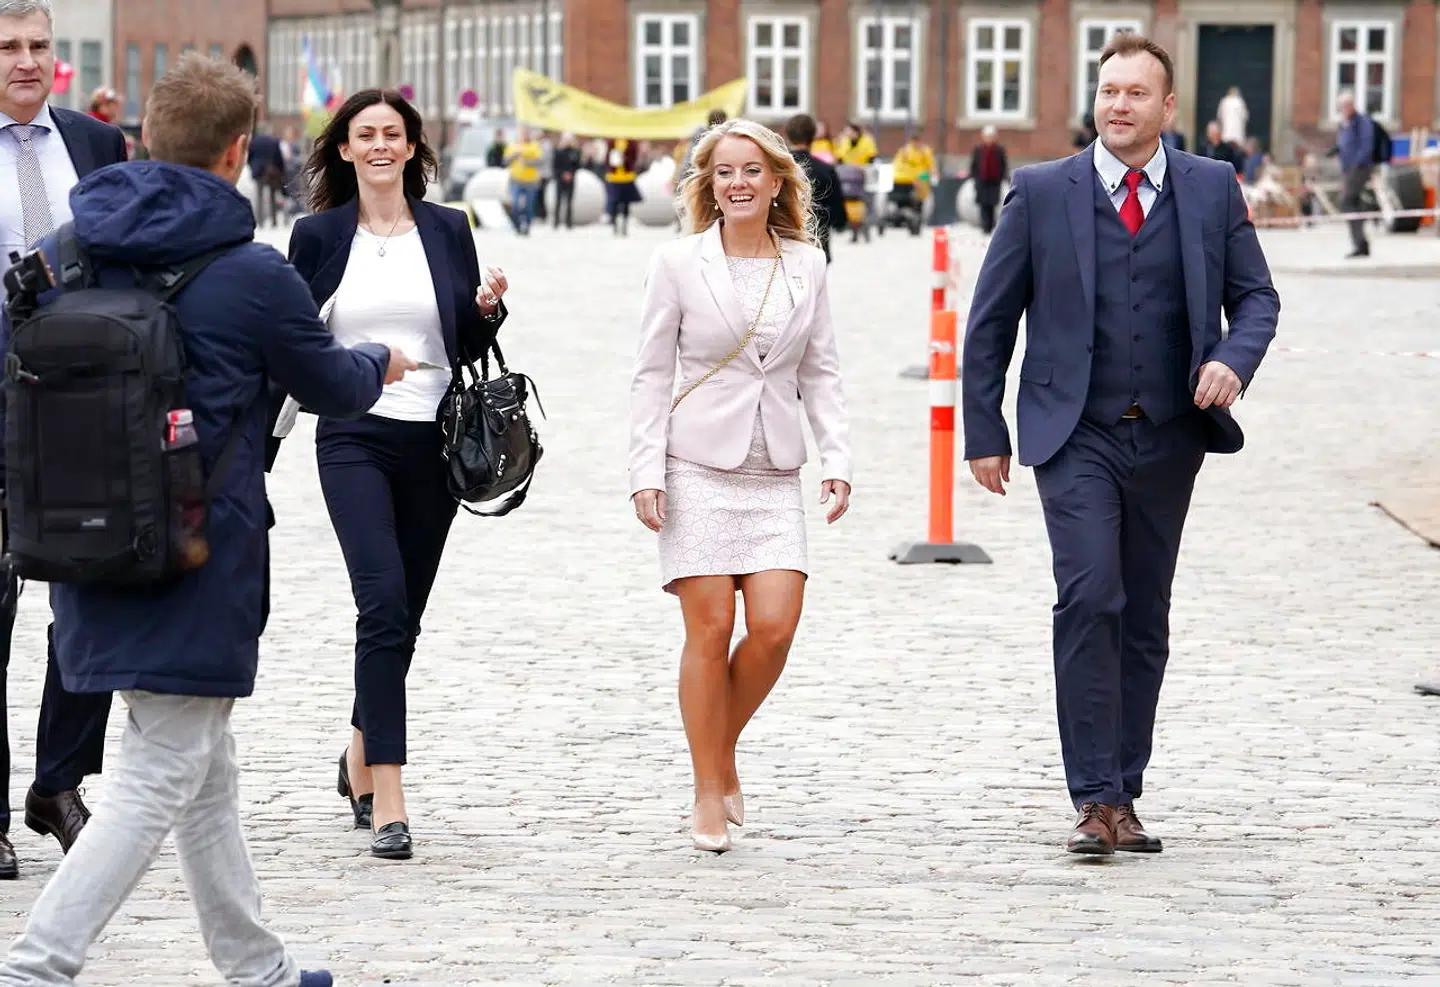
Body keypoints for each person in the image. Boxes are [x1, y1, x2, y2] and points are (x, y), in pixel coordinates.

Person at [0, 51, 405, 987]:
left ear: (141, 142)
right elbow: (333, 385)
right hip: (194, 547)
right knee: (158, 772)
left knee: (198, 757)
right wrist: (378, 358)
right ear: (235, 155)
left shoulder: (63, 252)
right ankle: (38, 965)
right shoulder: (251, 272)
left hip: (83, 537)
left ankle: (254, 965)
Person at [961, 33, 1279, 855]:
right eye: (1108, 91)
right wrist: (985, 430)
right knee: (1091, 595)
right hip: (1074, 434)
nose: (1118, 105)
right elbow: (991, 321)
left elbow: (1256, 300)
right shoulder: (1039, 192)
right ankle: (1093, 797)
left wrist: (1230, 361)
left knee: (1144, 613)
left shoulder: (1212, 188)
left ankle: (1125, 791)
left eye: (1136, 93)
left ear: (1168, 108)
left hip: (1171, 435)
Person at [281, 88, 509, 861]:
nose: (380, 145)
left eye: (394, 134)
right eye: (365, 134)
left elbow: (467, 341)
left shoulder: (448, 228)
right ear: (344, 149)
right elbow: (288, 337)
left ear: (413, 147)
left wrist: (486, 308)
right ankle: (389, 792)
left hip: (432, 440)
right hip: (351, 435)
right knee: (379, 602)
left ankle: (355, 754)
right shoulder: (315, 235)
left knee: (401, 615)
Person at [629, 119, 853, 854]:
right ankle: (706, 787)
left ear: (778, 180)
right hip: (694, 463)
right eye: (724, 173)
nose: (738, 184)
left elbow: (819, 369)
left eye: (751, 171)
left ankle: (719, 746)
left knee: (776, 624)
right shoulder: (677, 263)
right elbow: (651, 372)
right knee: (710, 628)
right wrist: (644, 471)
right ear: (708, 185)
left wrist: (838, 456)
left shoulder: (807, 264)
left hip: (772, 471)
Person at [0, 0, 128, 882]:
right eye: (9, 47)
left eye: (39, 46)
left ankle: (57, 782)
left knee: (87, 602)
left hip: (78, 407)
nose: (26, 61)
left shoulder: (96, 144)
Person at [783, 113, 846, 263]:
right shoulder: (826, 170)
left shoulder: (778, 169)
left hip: (784, 242)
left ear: (787, 135)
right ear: (813, 136)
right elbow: (838, 213)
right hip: (817, 241)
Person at [1333, 90, 1377, 259]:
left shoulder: (1362, 122)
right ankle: (1361, 244)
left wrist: (1356, 164)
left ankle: (1360, 243)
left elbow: (1366, 146)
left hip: (1358, 168)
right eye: (1341, 107)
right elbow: (1345, 143)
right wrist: (1335, 150)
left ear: (1351, 105)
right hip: (1348, 168)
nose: (1343, 110)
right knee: (1354, 204)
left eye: (1345, 106)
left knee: (1347, 202)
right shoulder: (1345, 124)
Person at [968, 125, 1008, 234]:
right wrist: (974, 178)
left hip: (994, 181)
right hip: (982, 181)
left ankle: (990, 225)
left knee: (992, 204)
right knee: (983, 204)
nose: (989, 139)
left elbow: (1003, 165)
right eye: (987, 136)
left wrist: (1004, 178)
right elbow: (974, 165)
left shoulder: (999, 150)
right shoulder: (978, 150)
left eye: (991, 136)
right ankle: (985, 227)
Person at [504, 125, 541, 235]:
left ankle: (527, 225)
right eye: (522, 133)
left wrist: (526, 161)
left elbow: (540, 161)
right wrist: (514, 156)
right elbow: (505, 161)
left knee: (529, 206)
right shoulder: (513, 146)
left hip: (530, 181)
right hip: (516, 180)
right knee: (515, 205)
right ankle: (517, 226)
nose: (524, 135)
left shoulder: (534, 146)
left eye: (526, 133)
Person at [605, 137, 641, 235]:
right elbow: (607, 158)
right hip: (614, 176)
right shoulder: (612, 142)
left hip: (627, 177)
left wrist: (624, 158)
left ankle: (624, 226)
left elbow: (634, 158)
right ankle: (615, 225)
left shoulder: (631, 143)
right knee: (614, 202)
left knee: (626, 203)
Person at [551, 131, 581, 229]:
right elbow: (555, 166)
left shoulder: (575, 152)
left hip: (571, 179)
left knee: (569, 201)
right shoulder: (558, 152)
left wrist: (570, 174)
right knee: (558, 201)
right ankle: (556, 222)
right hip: (560, 180)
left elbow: (578, 166)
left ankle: (569, 222)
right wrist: (562, 174)